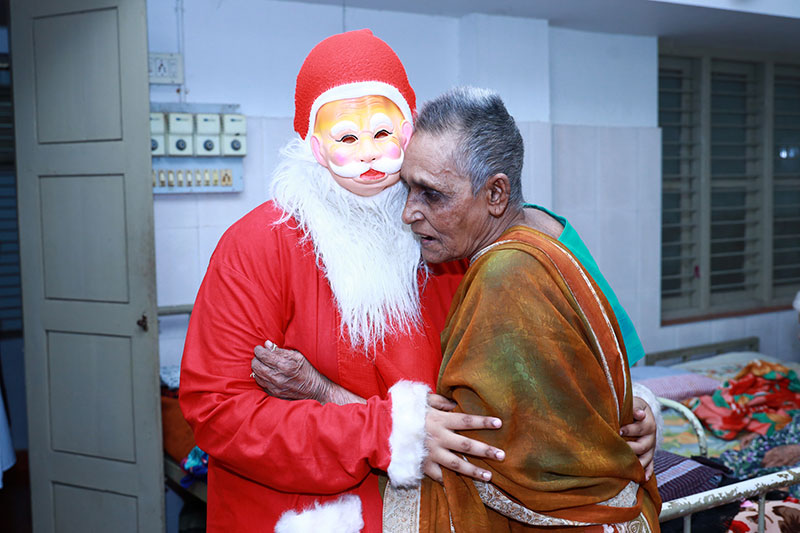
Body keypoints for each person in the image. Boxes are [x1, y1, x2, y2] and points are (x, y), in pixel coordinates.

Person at [179, 30, 504, 533]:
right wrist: (381, 431)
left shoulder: (448, 236)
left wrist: (612, 404)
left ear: (409, 130)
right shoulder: (258, 245)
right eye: (348, 138)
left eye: (383, 132)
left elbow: (502, 372)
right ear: (313, 144)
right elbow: (220, 413)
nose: (369, 154)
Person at [379, 87, 661, 531]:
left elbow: (479, 444)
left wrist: (321, 392)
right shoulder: (538, 234)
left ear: (496, 194)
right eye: (407, 189)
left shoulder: (505, 275)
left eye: (432, 194)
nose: (409, 213)